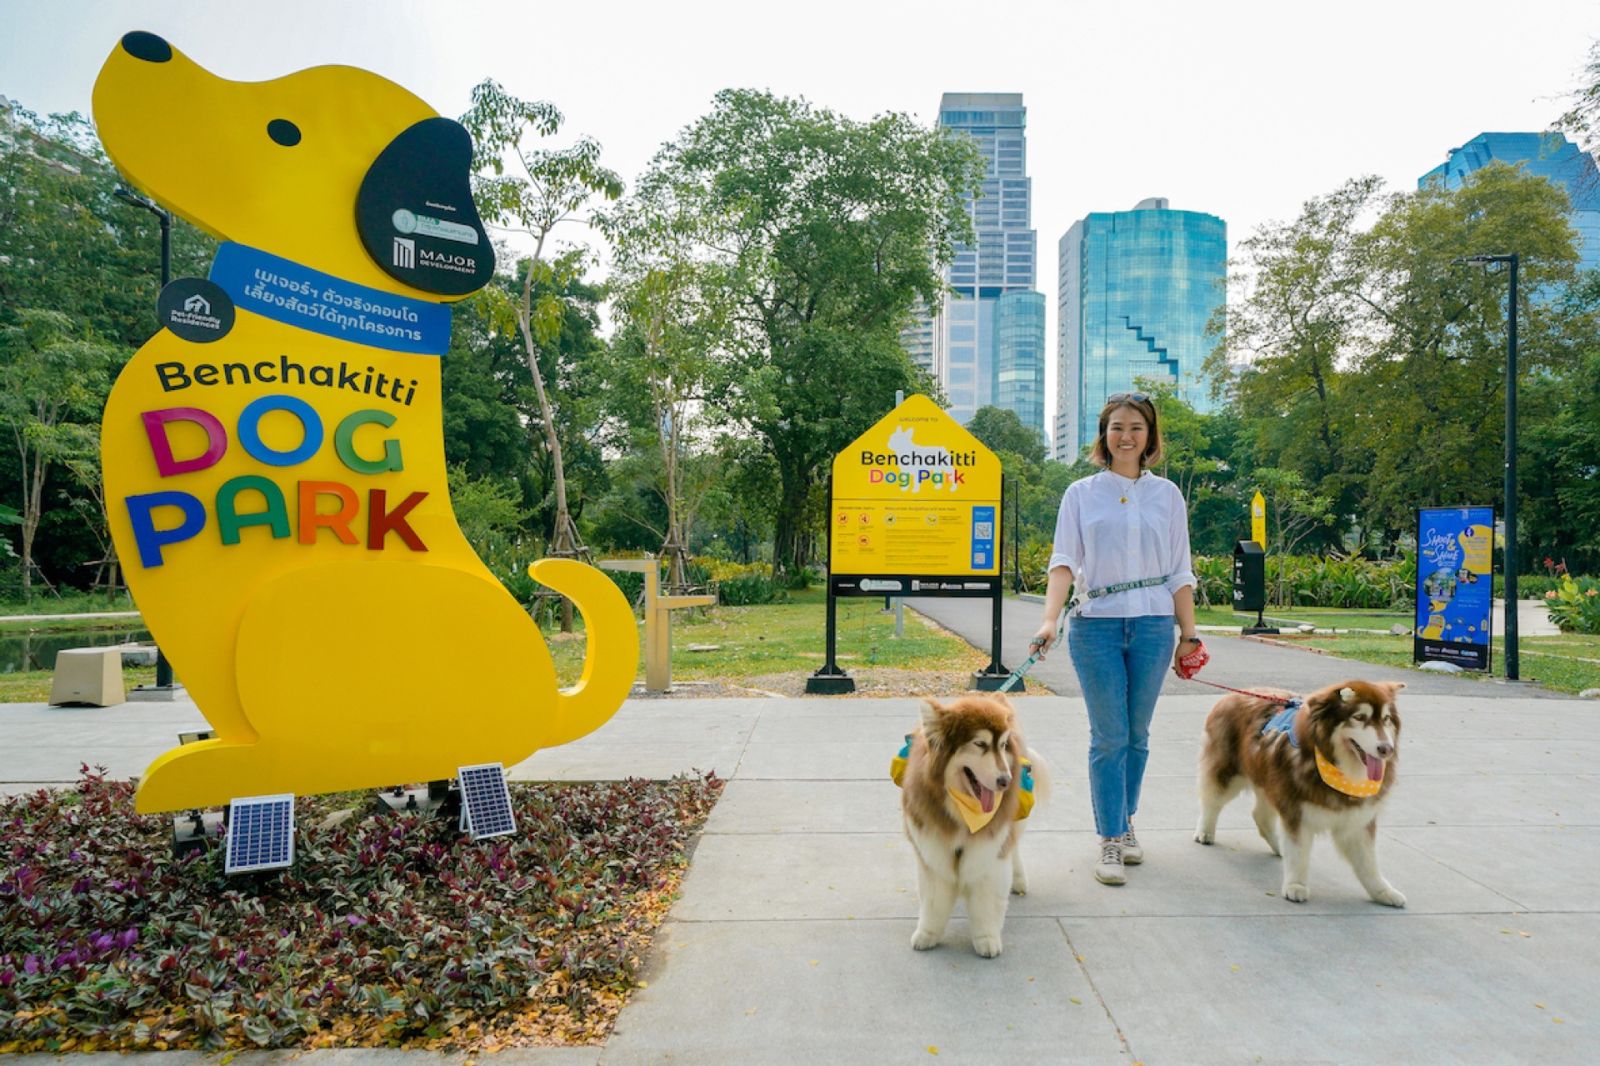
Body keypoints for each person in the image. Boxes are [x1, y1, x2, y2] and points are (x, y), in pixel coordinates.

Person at [1029, 393, 1200, 886]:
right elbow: (1063, 561)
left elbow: (1179, 570)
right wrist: (1048, 620)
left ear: (1150, 437)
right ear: (1103, 435)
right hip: (1096, 626)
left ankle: (1126, 823)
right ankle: (1108, 838)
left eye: (1137, 428)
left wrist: (1188, 633)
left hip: (1151, 625)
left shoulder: (1167, 495)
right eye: (1117, 427)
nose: (1126, 436)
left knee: (1138, 735)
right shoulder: (1080, 494)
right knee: (1109, 737)